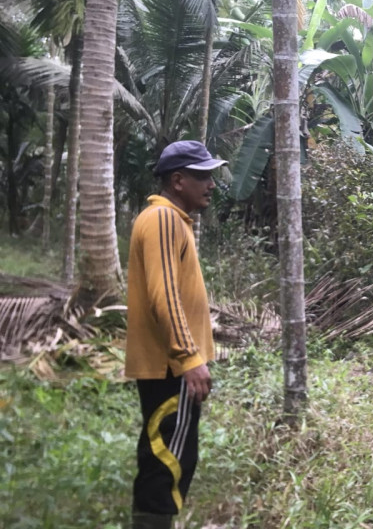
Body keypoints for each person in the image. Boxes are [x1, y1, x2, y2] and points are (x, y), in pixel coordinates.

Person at [125, 140, 227, 529]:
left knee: (162, 453)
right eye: (203, 176)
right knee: (167, 461)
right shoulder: (164, 219)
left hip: (166, 365)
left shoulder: (165, 219)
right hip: (170, 367)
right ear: (178, 180)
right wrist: (188, 357)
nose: (211, 184)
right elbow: (164, 295)